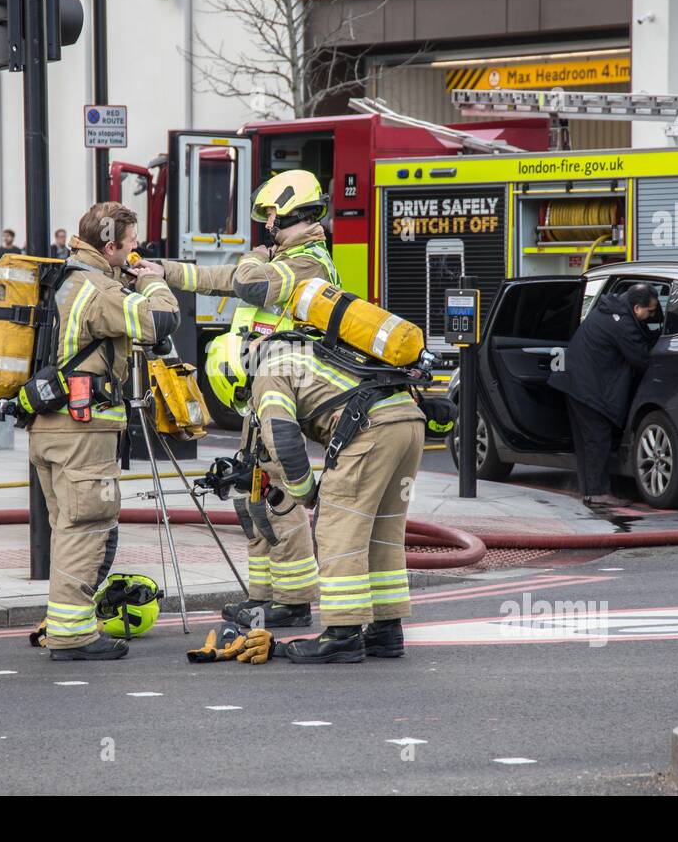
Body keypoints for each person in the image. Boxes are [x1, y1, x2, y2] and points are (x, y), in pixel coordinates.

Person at [131, 168, 337, 629]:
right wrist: (163, 270)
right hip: (260, 391)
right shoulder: (284, 257)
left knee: (278, 494)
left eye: (273, 218)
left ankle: (295, 600)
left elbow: (248, 283)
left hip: (283, 388)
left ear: (297, 214)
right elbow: (221, 277)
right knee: (252, 496)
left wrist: (250, 259)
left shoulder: (309, 263)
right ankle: (263, 595)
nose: (268, 227)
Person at [211, 328, 426, 664]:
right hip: (407, 421)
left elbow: (282, 438)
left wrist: (306, 493)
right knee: (382, 532)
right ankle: (386, 630)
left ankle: (343, 635)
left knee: (338, 531)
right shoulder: (307, 350)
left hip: (371, 429)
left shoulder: (268, 373)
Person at [30, 202, 179, 661]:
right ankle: (74, 638)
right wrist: (153, 280)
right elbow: (160, 322)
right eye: (131, 245)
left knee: (67, 528)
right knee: (85, 528)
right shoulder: (99, 292)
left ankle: (65, 625)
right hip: (84, 430)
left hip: (47, 426)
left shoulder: (63, 279)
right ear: (110, 246)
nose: (136, 252)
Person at [547, 283, 662, 507]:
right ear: (637, 307)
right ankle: (598, 493)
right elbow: (641, 359)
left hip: (574, 383)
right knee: (597, 440)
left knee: (586, 442)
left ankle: (589, 491)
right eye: (650, 311)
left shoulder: (610, 309)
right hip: (589, 388)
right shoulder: (624, 324)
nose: (652, 315)